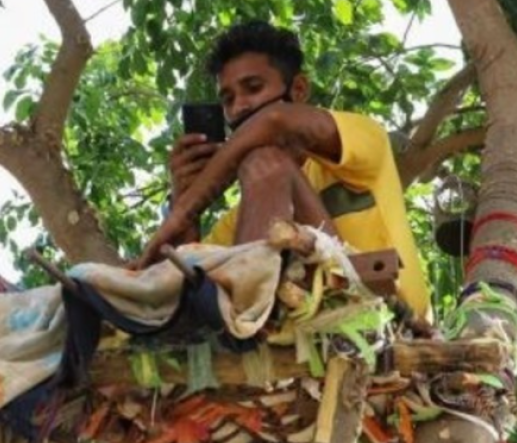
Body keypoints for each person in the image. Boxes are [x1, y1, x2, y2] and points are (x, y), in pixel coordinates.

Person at [156, 21, 431, 320]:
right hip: (289, 341)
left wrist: (189, 204)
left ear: (298, 90)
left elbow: (275, 121)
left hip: (381, 320)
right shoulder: (244, 214)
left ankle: (246, 320)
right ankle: (245, 323)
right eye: (228, 99)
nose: (238, 108)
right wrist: (183, 206)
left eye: (253, 88)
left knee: (267, 162)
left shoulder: (367, 143)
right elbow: (186, 286)